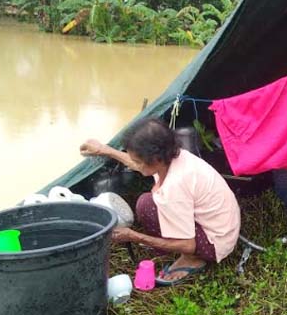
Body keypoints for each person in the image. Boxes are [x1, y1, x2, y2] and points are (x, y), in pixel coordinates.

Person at [80, 118, 241, 286]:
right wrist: (104, 150)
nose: (134, 164)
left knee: (149, 206)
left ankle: (193, 260)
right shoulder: (171, 158)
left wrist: (134, 236)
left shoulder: (174, 187)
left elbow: (188, 244)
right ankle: (171, 245)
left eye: (137, 161)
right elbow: (135, 163)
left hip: (215, 243)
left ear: (154, 159)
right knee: (146, 204)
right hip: (223, 225)